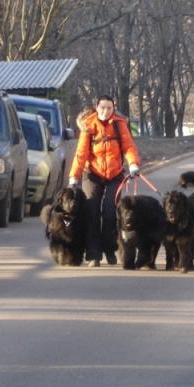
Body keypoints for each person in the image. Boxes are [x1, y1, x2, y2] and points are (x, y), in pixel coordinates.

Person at [68, 95, 140, 267]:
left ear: (113, 109)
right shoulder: (89, 125)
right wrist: (73, 177)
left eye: (109, 108)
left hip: (115, 175)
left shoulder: (119, 123)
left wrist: (133, 164)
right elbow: (81, 153)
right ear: (96, 107)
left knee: (110, 212)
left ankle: (109, 248)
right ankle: (94, 254)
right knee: (92, 211)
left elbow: (128, 146)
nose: (105, 111)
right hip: (92, 173)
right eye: (102, 107)